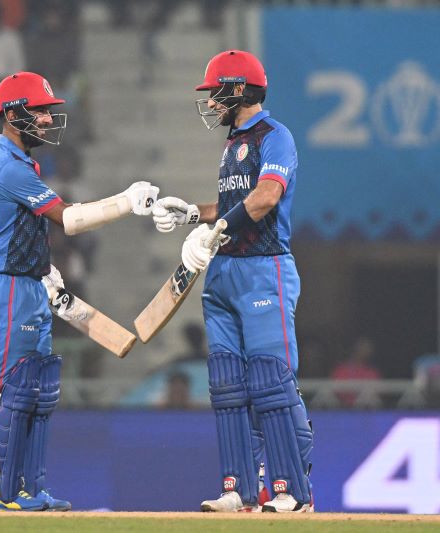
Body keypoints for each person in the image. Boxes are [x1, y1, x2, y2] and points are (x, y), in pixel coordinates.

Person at [0, 71, 158, 511]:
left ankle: (29, 489)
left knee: (37, 391)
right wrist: (126, 202)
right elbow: (69, 220)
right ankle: (0, 491)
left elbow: (18, 227)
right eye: (40, 112)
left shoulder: (18, 162)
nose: (49, 120)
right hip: (8, 289)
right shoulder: (6, 166)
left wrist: (42, 269)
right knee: (10, 390)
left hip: (25, 283)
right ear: (13, 115)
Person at [152, 50, 314, 513]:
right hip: (223, 272)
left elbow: (265, 198)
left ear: (239, 90)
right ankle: (237, 488)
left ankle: (291, 492)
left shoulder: (275, 136)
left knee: (269, 381)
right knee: (226, 384)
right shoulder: (233, 141)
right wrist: (192, 214)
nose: (211, 102)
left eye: (216, 92)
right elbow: (231, 206)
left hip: (264, 269)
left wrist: (218, 227)